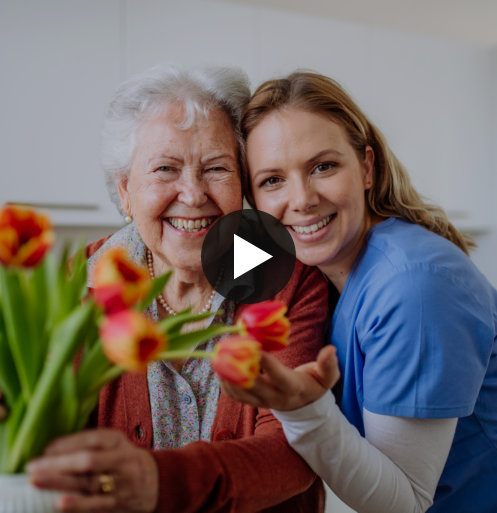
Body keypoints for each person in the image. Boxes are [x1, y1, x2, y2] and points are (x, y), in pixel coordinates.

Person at [25, 65, 330, 512]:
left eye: (216, 168)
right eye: (166, 169)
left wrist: (159, 481)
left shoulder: (286, 277)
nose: (192, 194)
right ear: (125, 191)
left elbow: (297, 448)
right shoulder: (80, 283)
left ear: (242, 184)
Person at [223, 71, 497, 513]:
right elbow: (202, 262)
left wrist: (303, 410)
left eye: (323, 167)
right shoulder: (319, 262)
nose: (303, 199)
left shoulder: (413, 288)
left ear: (366, 168)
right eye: (273, 180)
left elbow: (404, 502)